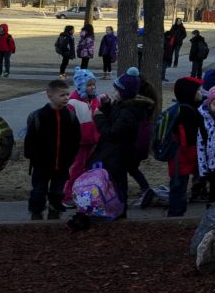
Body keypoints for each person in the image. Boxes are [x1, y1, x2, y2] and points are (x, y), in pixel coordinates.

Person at [23, 79, 81, 220]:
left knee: (57, 192)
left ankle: (54, 213)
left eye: (67, 94)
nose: (66, 98)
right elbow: (30, 140)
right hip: (41, 165)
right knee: (38, 191)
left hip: (62, 165)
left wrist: (70, 158)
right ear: (50, 95)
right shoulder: (39, 116)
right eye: (62, 95)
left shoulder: (70, 116)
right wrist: (34, 157)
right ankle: (36, 214)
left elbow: (75, 139)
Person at [97, 71, 153, 214]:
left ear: (124, 93)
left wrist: (99, 118)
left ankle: (120, 210)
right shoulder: (122, 106)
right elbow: (114, 118)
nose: (113, 92)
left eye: (116, 90)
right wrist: (107, 105)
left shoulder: (128, 112)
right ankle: (116, 207)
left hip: (120, 153)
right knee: (116, 182)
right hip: (117, 153)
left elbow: (113, 133)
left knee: (119, 184)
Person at [166, 76, 204, 217]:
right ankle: (175, 215)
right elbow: (187, 139)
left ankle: (177, 212)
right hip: (181, 157)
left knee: (179, 186)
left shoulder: (185, 108)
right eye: (198, 90)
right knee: (178, 187)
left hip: (179, 158)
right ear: (190, 93)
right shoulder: (187, 112)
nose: (201, 92)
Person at [64, 68, 104, 199]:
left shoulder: (95, 100)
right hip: (79, 142)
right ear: (81, 85)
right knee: (77, 168)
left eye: (93, 84)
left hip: (93, 140)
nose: (92, 87)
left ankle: (82, 192)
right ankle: (67, 194)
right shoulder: (72, 103)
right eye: (89, 85)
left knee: (89, 169)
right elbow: (69, 125)